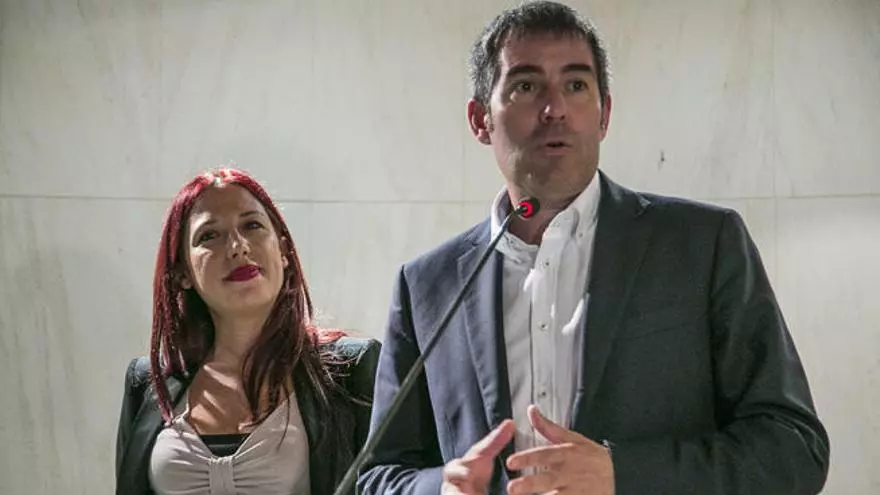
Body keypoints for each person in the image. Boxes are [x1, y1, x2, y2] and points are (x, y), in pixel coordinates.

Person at [357, 2, 829, 494]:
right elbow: (378, 477)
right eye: (526, 86)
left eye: (576, 85)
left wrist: (623, 475)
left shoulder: (704, 245)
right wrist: (441, 489)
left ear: (604, 114)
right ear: (480, 120)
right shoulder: (427, 285)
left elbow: (793, 449)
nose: (555, 109)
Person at [115, 168, 380, 495]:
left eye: (252, 225)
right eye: (209, 235)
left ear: (284, 251)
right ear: (183, 272)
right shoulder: (147, 382)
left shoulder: (352, 370)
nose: (238, 247)